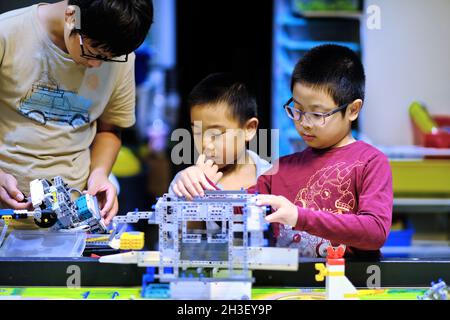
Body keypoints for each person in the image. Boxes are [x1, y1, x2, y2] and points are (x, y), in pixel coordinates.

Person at [174, 45, 393, 258]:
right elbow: (237, 212)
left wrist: (299, 216)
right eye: (297, 110)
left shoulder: (370, 162)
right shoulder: (280, 169)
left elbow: (375, 231)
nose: (304, 123)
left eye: (317, 114)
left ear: (353, 109)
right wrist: (198, 188)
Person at [0, 0, 154, 225]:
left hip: (71, 219)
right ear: (71, 16)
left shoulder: (120, 56)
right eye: (92, 52)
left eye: (108, 58)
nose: (97, 65)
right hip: (6, 213)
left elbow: (109, 130)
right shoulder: (8, 34)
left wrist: (100, 174)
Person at [169, 72, 272, 201]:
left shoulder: (273, 178)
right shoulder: (186, 183)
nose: (205, 144)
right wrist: (194, 198)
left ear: (249, 128)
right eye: (197, 132)